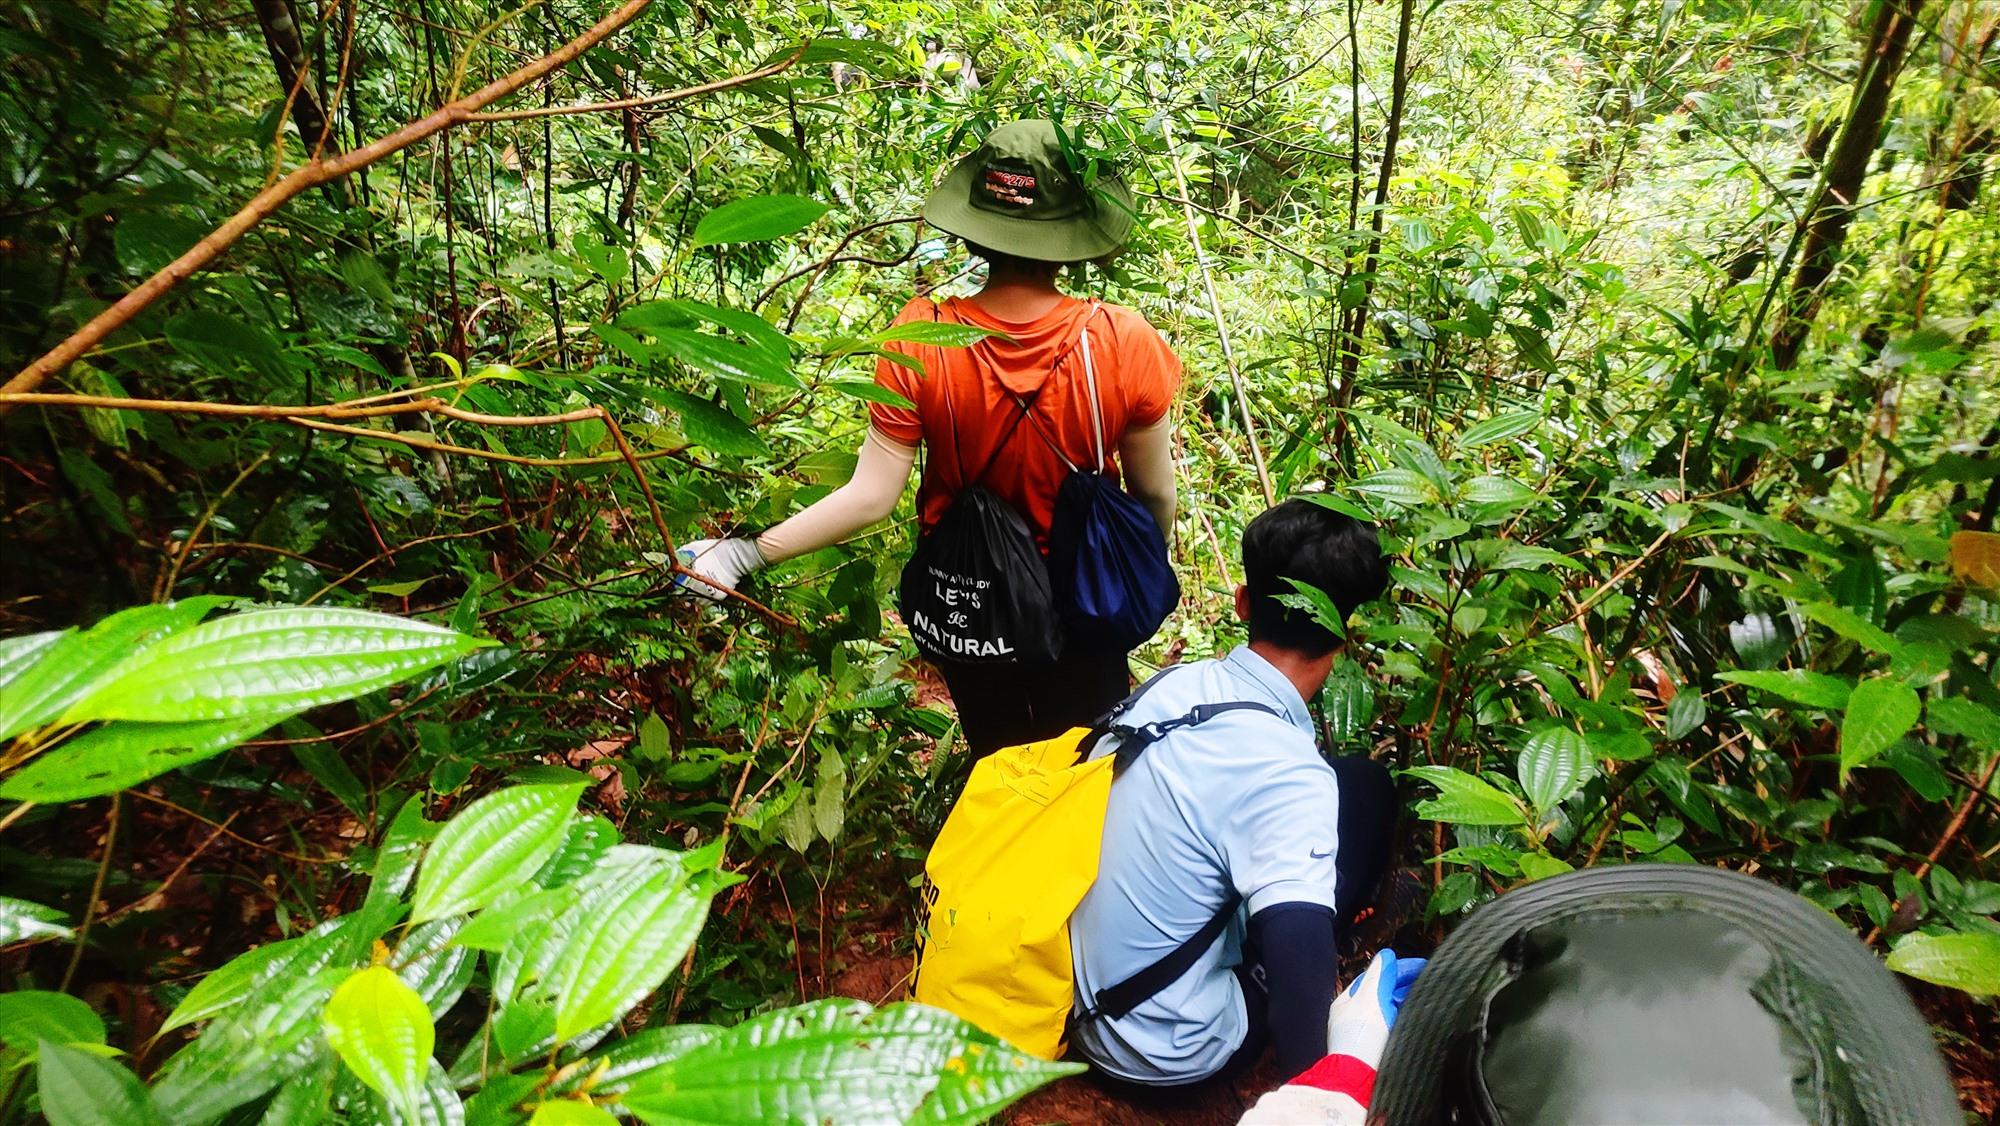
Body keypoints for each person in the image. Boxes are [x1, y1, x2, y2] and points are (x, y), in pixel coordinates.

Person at [677, 119, 1182, 759]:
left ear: (979, 227)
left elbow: (871, 496)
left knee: (994, 761)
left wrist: (742, 555)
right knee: (1085, 774)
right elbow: (1154, 495)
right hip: (1087, 602)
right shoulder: (1122, 340)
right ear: (1069, 234)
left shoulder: (923, 336)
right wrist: (1133, 568)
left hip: (973, 601)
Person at [1066, 497, 1397, 1091]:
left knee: (1353, 783)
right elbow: (1301, 986)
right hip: (1165, 1050)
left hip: (1068, 1002)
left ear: (1244, 602)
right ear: (1342, 637)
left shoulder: (1175, 685)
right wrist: (1319, 1099)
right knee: (1366, 792)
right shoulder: (1289, 774)